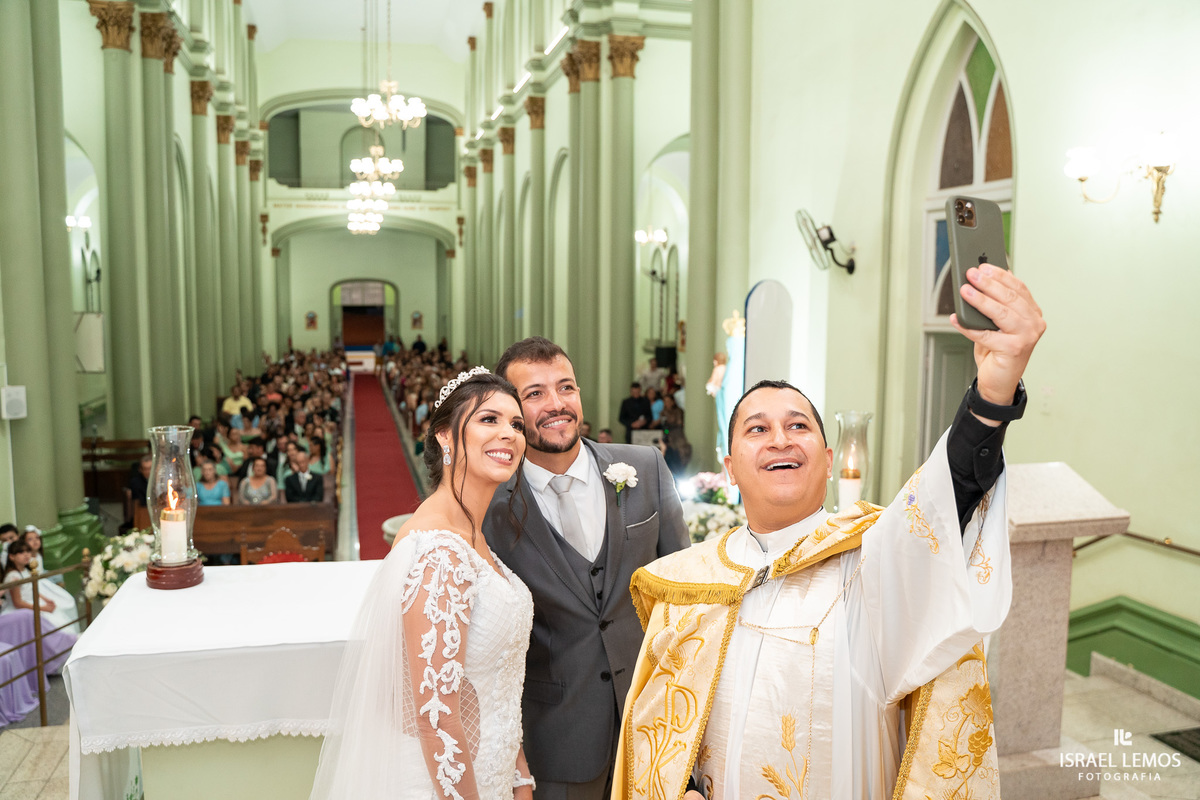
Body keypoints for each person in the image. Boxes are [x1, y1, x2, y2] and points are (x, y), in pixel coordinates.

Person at [614, 265, 1046, 800]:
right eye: (758, 429)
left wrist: (994, 389)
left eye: (799, 426)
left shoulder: (870, 562)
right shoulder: (688, 586)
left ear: (826, 456)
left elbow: (944, 496)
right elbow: (659, 742)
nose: (780, 439)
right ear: (730, 467)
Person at [310, 369, 536, 800]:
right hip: (443, 786)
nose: (508, 433)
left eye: (516, 424)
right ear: (446, 437)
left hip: (494, 773)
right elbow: (434, 716)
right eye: (489, 419)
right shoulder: (439, 553)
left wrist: (519, 777)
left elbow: (496, 688)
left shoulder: (474, 537)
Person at [483, 337, 689, 800]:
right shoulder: (491, 508)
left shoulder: (645, 468)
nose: (557, 404)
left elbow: (684, 599)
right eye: (534, 393)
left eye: (566, 387)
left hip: (656, 730)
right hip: (556, 746)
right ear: (509, 412)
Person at [2, 541, 81, 636]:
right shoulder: (13, 576)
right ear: (11, 557)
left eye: (28, 551)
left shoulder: (26, 570)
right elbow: (18, 603)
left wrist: (46, 600)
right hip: (23, 608)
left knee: (59, 612)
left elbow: (32, 590)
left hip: (33, 601)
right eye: (21, 552)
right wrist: (42, 608)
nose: (26, 555)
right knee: (50, 621)